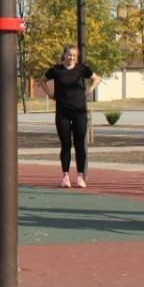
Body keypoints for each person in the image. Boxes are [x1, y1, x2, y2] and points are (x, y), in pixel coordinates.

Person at [43, 45, 100, 188]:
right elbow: (42, 81)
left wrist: (90, 90)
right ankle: (65, 176)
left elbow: (96, 78)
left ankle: (80, 176)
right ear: (64, 55)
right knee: (66, 144)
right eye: (69, 55)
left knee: (80, 144)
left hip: (79, 111)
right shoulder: (56, 70)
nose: (71, 57)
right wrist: (50, 94)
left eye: (74, 55)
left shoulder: (82, 69)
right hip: (62, 112)